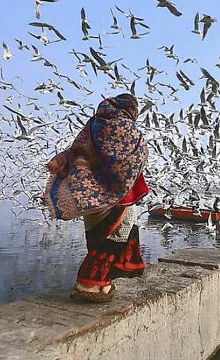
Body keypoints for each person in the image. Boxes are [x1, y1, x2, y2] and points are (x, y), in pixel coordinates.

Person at [45, 93, 150, 302]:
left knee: (97, 239)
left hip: (90, 194)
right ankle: (86, 284)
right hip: (117, 195)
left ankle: (104, 284)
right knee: (113, 239)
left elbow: (76, 150)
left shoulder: (93, 124)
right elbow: (129, 160)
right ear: (131, 110)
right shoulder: (127, 128)